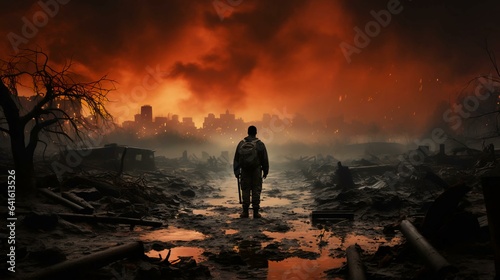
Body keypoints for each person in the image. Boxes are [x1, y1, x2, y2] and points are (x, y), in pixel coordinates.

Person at [233, 125, 269, 218]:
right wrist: (265, 171)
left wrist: (236, 172)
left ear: (248, 132)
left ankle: (245, 212)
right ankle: (256, 212)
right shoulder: (260, 144)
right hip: (256, 170)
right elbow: (264, 159)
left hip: (244, 170)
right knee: (256, 190)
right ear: (256, 132)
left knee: (245, 189)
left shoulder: (241, 143)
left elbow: (236, 158)